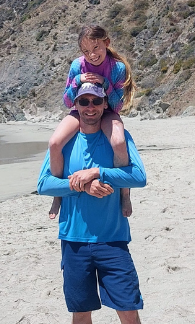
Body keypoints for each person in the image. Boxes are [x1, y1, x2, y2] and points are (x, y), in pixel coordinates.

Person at [38, 80, 158, 324]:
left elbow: (138, 176)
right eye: (84, 102)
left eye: (96, 102)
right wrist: (83, 186)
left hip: (113, 241)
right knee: (80, 314)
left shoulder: (117, 138)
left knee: (129, 314)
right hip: (74, 242)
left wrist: (99, 172)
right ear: (75, 105)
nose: (90, 108)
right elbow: (44, 183)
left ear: (105, 104)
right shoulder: (64, 142)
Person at [46, 25, 131, 220]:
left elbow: (118, 107)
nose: (92, 55)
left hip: (107, 111)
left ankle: (125, 194)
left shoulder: (117, 67)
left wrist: (105, 83)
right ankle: (58, 195)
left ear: (106, 43)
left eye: (96, 48)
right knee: (54, 143)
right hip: (80, 111)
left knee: (118, 142)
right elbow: (68, 102)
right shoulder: (77, 65)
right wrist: (77, 80)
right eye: (86, 51)